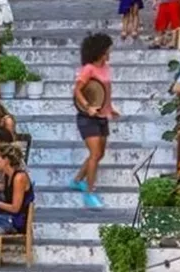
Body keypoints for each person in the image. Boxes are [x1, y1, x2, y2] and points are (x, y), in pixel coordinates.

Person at [70, 33, 120, 209]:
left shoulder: (106, 67)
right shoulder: (88, 69)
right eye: (107, 50)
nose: (109, 53)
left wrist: (110, 108)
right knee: (94, 153)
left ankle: (77, 180)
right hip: (87, 117)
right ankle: (89, 193)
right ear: (100, 51)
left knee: (100, 154)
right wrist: (88, 106)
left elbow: (105, 91)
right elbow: (77, 91)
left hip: (102, 117)